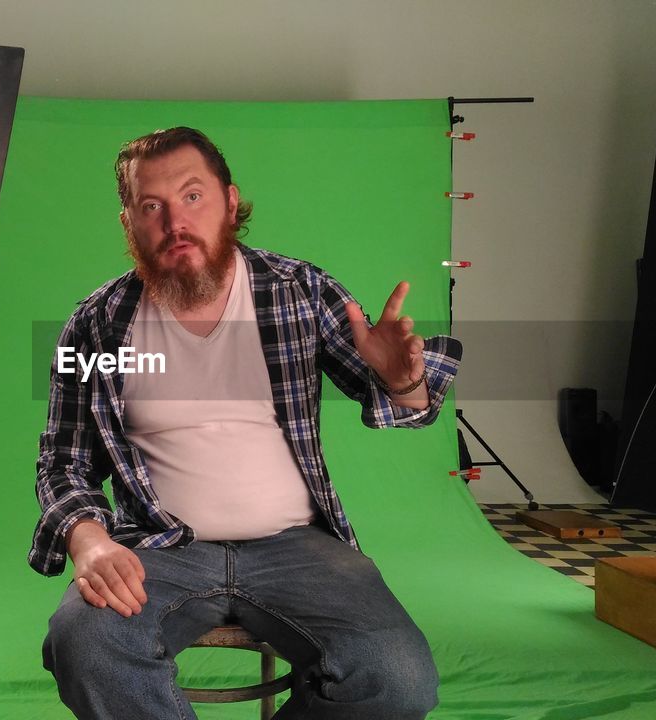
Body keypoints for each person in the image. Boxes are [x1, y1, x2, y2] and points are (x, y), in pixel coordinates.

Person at [30, 126, 461, 719]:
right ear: (129, 223)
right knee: (85, 644)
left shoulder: (298, 293)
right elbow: (64, 461)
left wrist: (400, 379)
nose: (174, 222)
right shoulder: (99, 326)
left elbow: (408, 406)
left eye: (192, 196)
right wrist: (89, 540)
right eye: (151, 206)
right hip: (157, 546)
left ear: (230, 202)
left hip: (298, 547)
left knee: (398, 676)